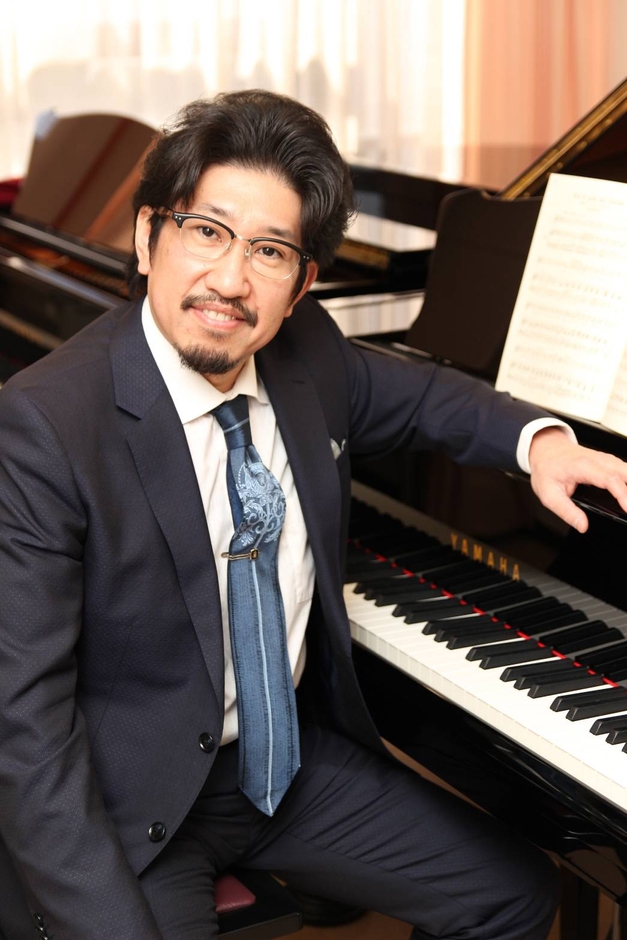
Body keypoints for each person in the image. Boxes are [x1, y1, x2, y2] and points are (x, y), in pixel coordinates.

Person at [1, 89, 626, 940]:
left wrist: (540, 441)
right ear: (148, 238)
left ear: (300, 285)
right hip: (126, 804)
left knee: (512, 895)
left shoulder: (309, 353)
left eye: (268, 250)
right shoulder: (44, 425)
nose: (231, 279)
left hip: (276, 768)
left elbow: (424, 397)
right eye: (206, 231)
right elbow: (25, 729)